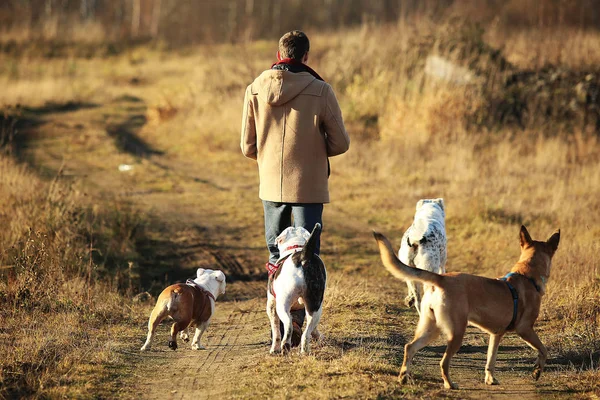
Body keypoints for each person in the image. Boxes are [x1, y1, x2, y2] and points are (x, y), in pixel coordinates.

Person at [240, 30, 350, 345]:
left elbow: (247, 147)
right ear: (306, 56)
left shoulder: (256, 88)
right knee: (307, 256)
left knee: (277, 256)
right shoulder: (321, 90)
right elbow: (341, 142)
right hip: (309, 186)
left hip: (270, 185)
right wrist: (314, 151)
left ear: (279, 54)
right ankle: (301, 329)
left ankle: (279, 327)